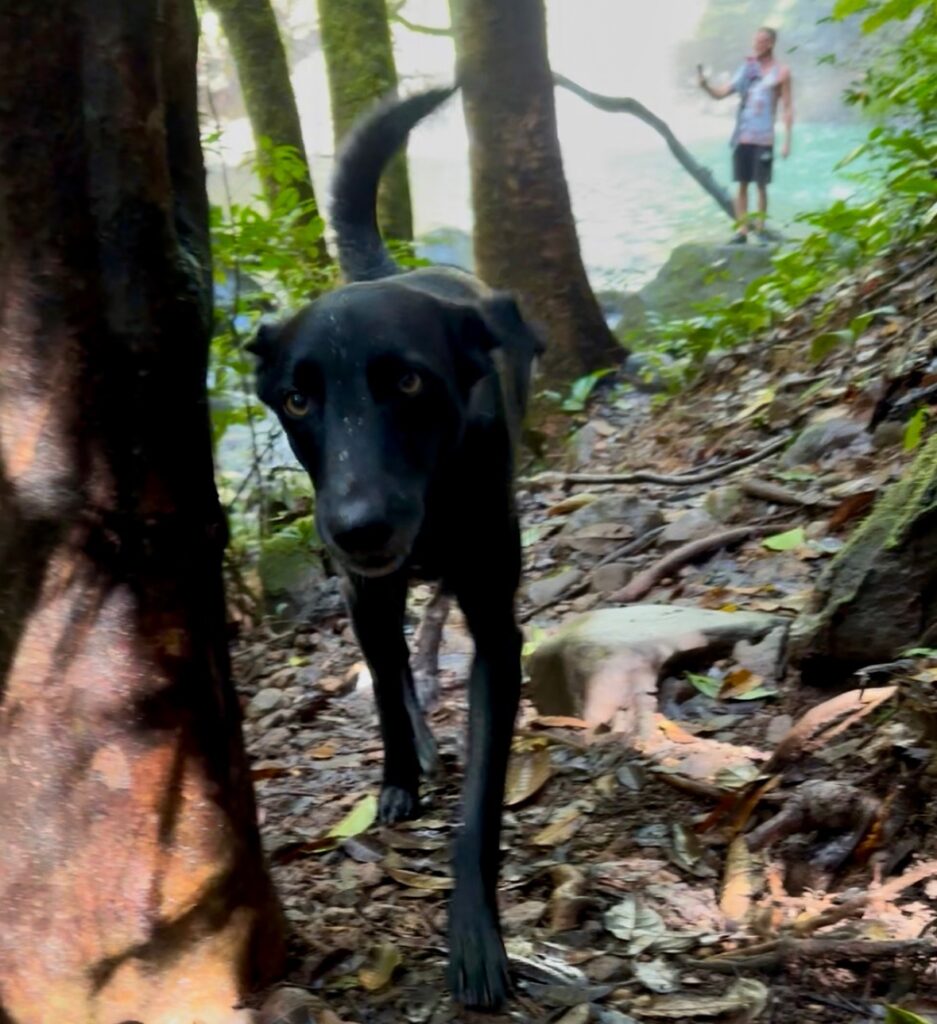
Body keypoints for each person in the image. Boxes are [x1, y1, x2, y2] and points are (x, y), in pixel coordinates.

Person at [698, 27, 793, 244]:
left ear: (770, 44)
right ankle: (742, 231)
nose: (756, 46)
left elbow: (787, 107)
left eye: (760, 42)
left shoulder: (781, 72)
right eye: (755, 42)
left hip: (764, 138)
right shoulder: (747, 69)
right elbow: (721, 94)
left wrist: (787, 141)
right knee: (742, 183)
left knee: (761, 185)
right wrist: (705, 86)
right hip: (743, 136)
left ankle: (759, 230)